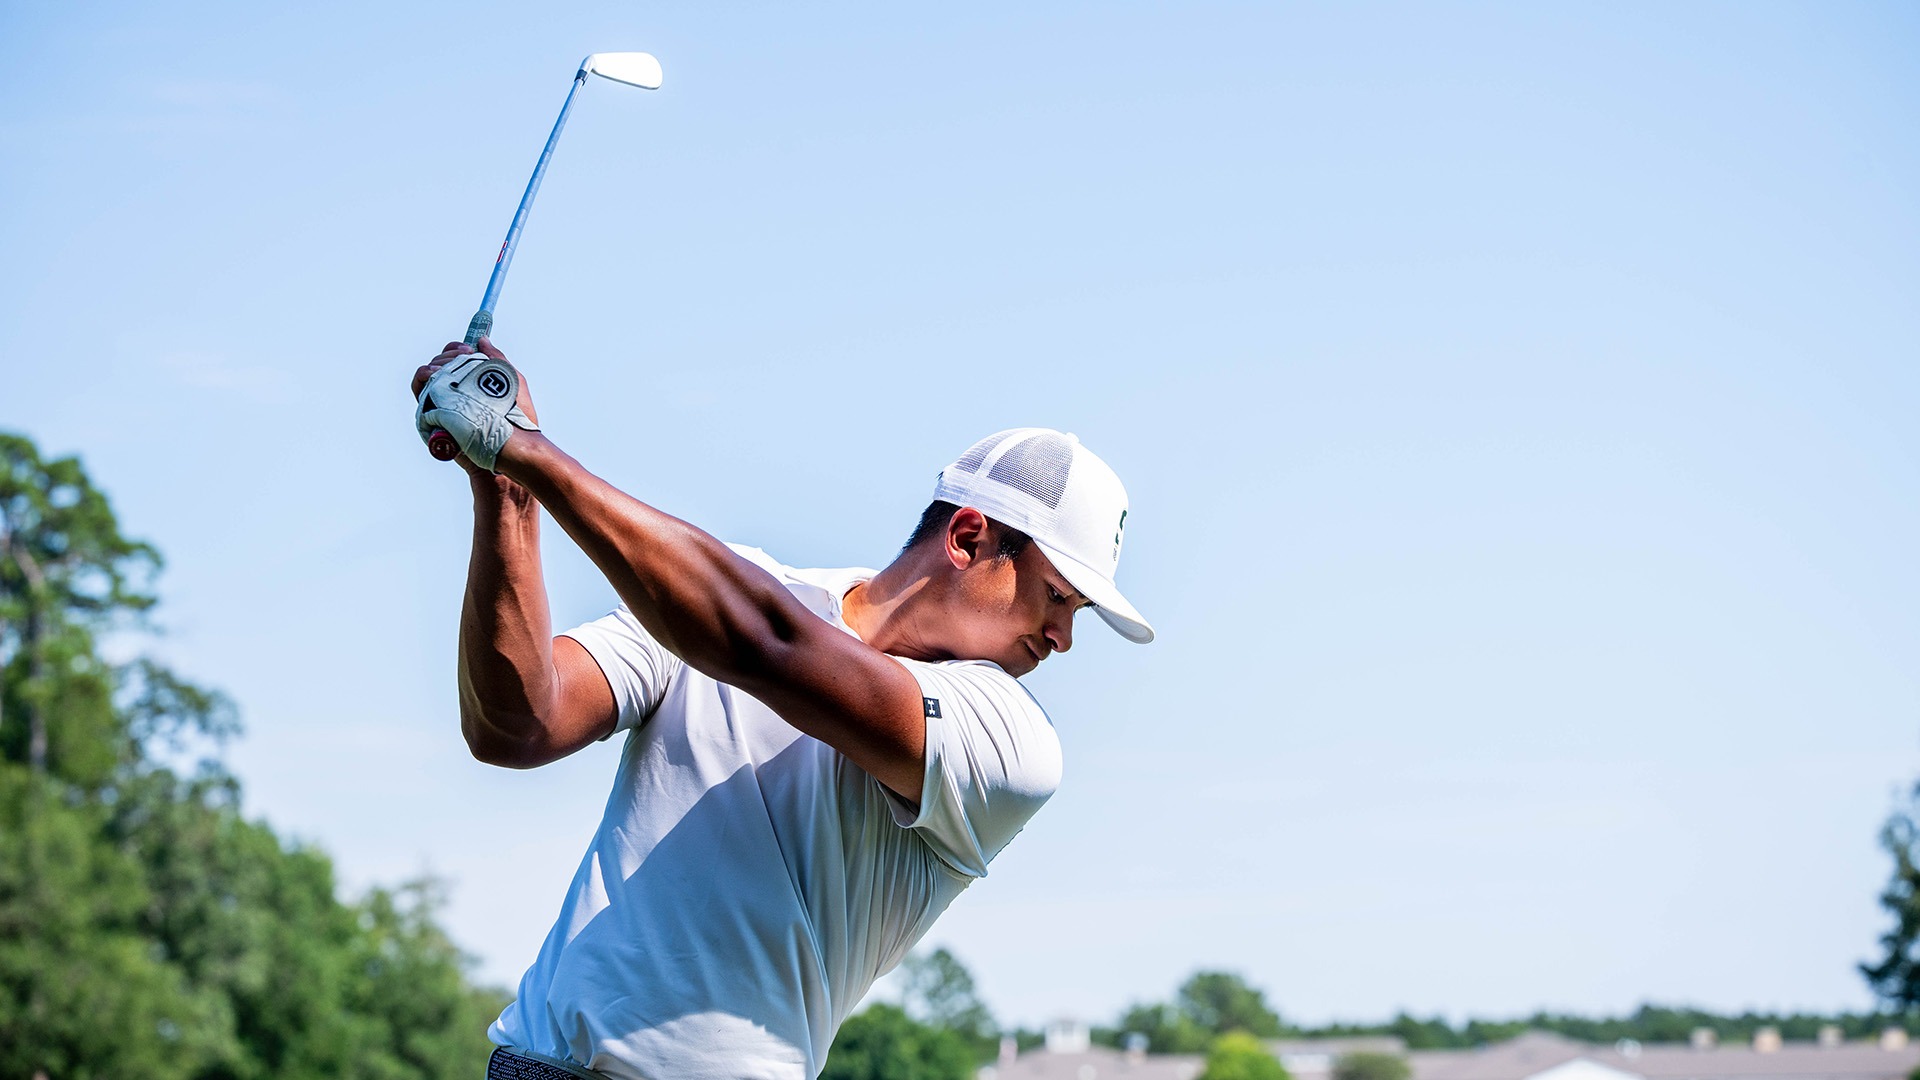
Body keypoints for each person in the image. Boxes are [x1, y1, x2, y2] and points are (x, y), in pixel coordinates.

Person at [411, 338, 1154, 1080]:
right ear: (967, 538)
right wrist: (504, 489)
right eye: (1058, 598)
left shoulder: (1012, 744)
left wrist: (525, 449)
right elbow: (516, 724)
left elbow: (765, 644)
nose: (1062, 638)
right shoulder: (717, 593)